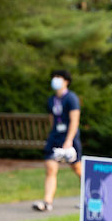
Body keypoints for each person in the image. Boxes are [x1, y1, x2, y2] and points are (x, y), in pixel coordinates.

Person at [33, 69, 82, 212]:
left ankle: (90, 197)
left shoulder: (71, 98)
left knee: (78, 169)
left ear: (66, 81)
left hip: (69, 139)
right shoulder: (51, 100)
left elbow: (75, 121)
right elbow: (52, 119)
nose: (55, 80)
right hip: (55, 138)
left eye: (58, 77)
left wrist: (69, 140)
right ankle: (47, 202)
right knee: (50, 168)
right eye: (54, 77)